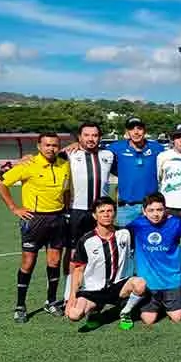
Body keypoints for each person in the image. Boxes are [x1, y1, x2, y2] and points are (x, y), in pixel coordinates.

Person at [0, 132, 70, 323]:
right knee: (28, 263)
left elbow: (67, 189)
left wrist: (66, 210)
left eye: (55, 145)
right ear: (39, 146)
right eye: (47, 145)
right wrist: (14, 208)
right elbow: (0, 184)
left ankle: (51, 301)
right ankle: (20, 305)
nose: (51, 148)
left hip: (58, 218)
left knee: (54, 262)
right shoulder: (28, 164)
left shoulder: (64, 164)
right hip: (34, 219)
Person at [65, 196, 147, 330]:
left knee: (140, 284)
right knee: (73, 314)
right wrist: (71, 296)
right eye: (102, 211)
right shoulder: (86, 240)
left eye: (109, 211)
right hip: (94, 289)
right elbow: (78, 269)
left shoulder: (125, 233)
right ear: (94, 215)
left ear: (115, 213)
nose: (106, 214)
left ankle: (125, 311)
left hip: (119, 285)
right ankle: (95, 311)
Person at [62, 122, 114, 298]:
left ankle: (97, 291)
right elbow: (47, 157)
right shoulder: (70, 154)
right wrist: (26, 158)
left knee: (101, 250)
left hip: (101, 212)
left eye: (95, 135)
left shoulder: (108, 155)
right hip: (77, 211)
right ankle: (69, 294)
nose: (91, 138)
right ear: (79, 137)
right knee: (72, 252)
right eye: (87, 135)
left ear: (100, 137)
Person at [127, 193, 181, 326]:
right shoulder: (137, 224)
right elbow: (120, 237)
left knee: (177, 317)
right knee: (148, 320)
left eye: (159, 210)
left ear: (165, 210)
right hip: (149, 283)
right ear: (144, 211)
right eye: (151, 210)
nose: (155, 214)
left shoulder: (176, 223)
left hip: (171, 280)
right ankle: (154, 303)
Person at [106, 117, 164, 226]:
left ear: (145, 131)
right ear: (127, 132)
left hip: (151, 207)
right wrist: (75, 144)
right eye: (132, 129)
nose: (136, 132)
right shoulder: (116, 148)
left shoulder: (157, 148)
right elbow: (94, 151)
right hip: (127, 208)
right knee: (125, 240)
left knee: (151, 241)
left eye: (139, 128)